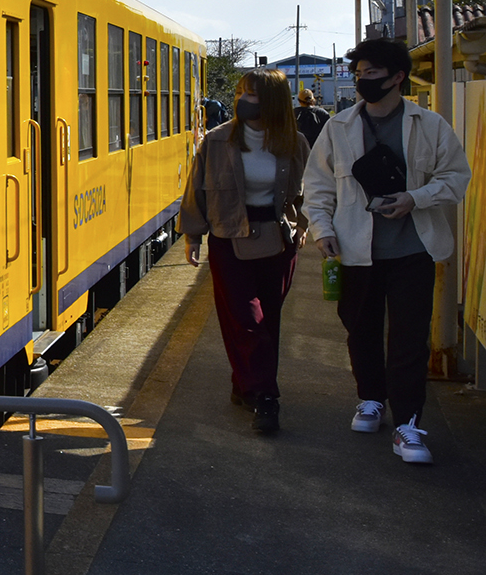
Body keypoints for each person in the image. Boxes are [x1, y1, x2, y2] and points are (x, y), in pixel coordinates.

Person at [304, 38, 470, 464]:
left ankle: (408, 423)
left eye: (372, 73)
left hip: (414, 250)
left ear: (398, 77)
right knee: (360, 329)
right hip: (355, 250)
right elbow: (318, 188)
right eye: (359, 73)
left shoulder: (429, 125)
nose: (363, 80)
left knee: (409, 339)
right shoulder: (338, 128)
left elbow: (456, 176)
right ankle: (371, 399)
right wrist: (321, 229)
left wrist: (416, 197)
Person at [181, 68, 307, 433]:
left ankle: (245, 385)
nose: (243, 101)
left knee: (269, 319)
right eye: (242, 93)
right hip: (228, 236)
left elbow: (308, 191)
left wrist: (304, 226)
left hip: (277, 240)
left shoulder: (294, 142)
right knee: (246, 319)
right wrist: (192, 236)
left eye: (251, 95)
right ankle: (267, 397)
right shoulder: (218, 141)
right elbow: (197, 189)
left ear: (271, 101)